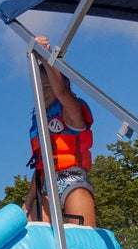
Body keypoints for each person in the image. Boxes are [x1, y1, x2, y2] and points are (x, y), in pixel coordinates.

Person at [22, 36, 97, 227]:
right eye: (40, 88)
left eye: (48, 87)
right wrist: (28, 202)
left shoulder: (71, 112)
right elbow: (41, 166)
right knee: (35, 234)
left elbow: (61, 92)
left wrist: (46, 57)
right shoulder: (39, 119)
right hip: (47, 186)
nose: (43, 92)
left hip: (73, 182)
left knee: (82, 240)